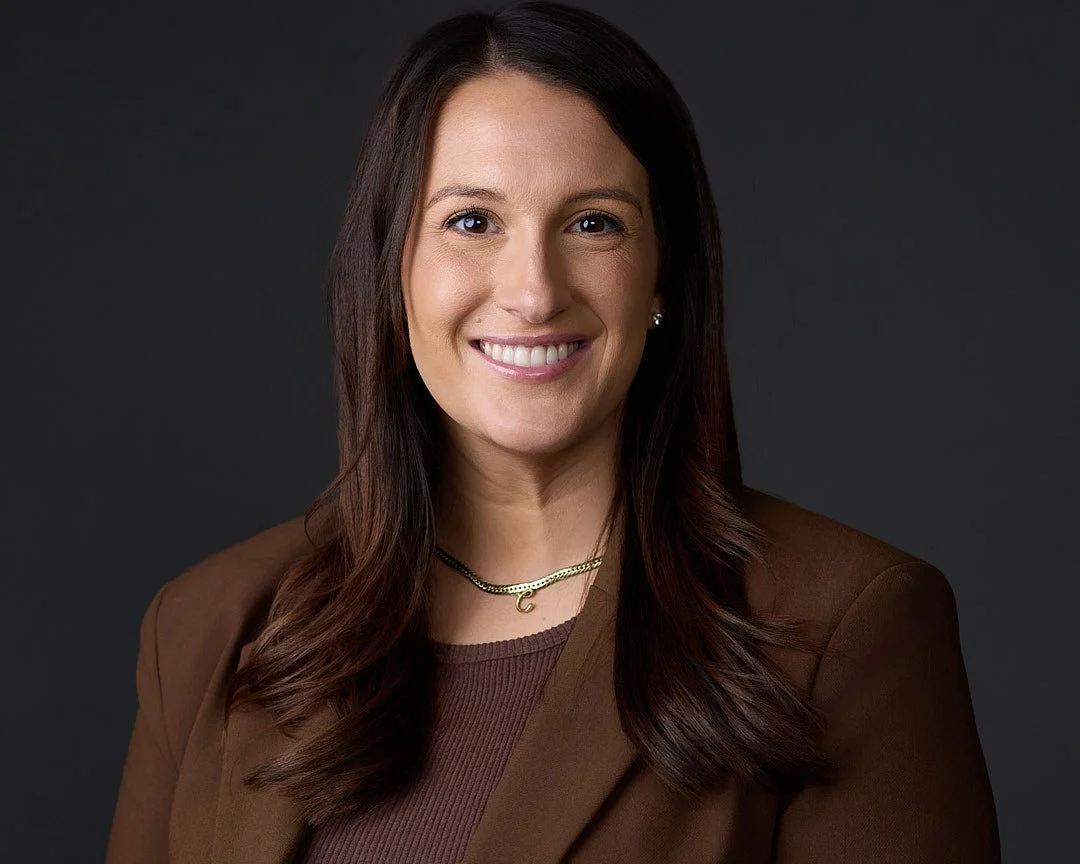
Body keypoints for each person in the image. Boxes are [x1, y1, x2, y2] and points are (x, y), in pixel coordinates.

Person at [105, 2, 1000, 862]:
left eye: (593, 223)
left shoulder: (845, 626)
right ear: (391, 272)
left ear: (662, 280)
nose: (534, 291)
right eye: (470, 221)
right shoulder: (208, 629)